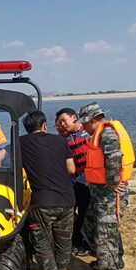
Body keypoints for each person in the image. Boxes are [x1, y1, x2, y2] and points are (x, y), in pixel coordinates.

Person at [0, 111, 75, 270]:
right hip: (67, 199)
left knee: (41, 242)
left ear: (26, 128)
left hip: (43, 201)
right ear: (45, 125)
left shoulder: (20, 142)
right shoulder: (61, 141)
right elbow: (71, 169)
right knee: (64, 240)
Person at [78, 102, 135, 270]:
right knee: (90, 226)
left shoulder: (107, 133)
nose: (83, 127)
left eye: (85, 123)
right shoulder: (100, 132)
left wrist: (113, 182)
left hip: (108, 193)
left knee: (105, 233)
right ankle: (109, 259)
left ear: (93, 120)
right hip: (100, 193)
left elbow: (114, 157)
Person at [55, 108, 91, 256]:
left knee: (85, 213)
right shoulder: (64, 138)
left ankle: (84, 243)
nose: (62, 124)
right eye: (59, 123)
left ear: (74, 117)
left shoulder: (88, 132)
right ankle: (74, 242)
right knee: (69, 212)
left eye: (64, 120)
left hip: (88, 181)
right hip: (73, 181)